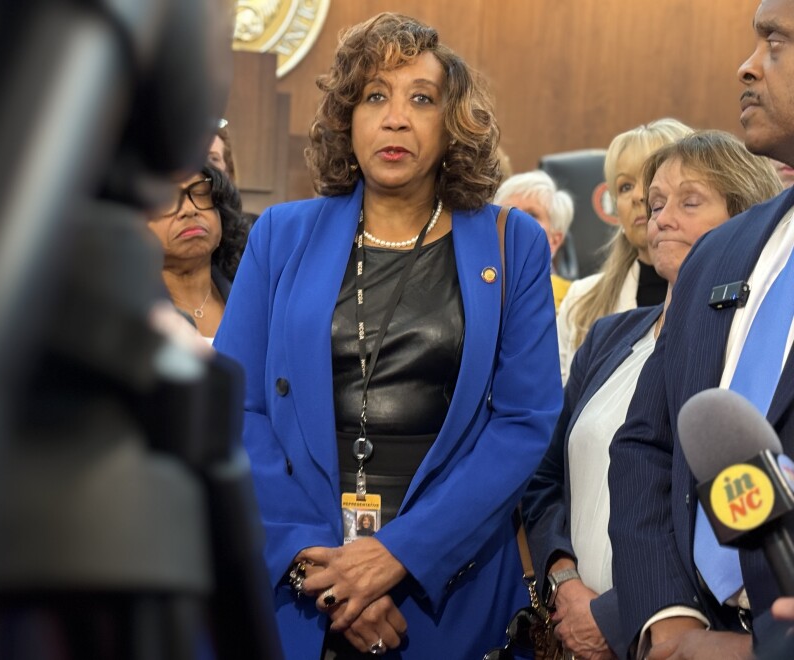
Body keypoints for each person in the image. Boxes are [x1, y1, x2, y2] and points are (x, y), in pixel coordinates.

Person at [213, 12, 561, 660]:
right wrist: (320, 569)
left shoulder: (514, 244)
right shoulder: (280, 236)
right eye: (375, 96)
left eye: (420, 99)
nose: (396, 118)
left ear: (451, 121)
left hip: (448, 592)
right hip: (302, 586)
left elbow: (523, 421)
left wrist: (399, 555)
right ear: (347, 117)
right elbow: (238, 409)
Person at [521, 130, 781, 660]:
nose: (659, 217)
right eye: (655, 202)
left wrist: (617, 617)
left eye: (689, 201)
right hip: (565, 623)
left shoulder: (750, 354)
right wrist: (564, 580)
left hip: (677, 638)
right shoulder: (610, 335)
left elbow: (716, 515)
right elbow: (545, 479)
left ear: (745, 220)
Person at [608, 2, 794, 657]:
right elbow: (645, 447)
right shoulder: (721, 253)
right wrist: (668, 619)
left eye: (774, 43)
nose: (747, 67)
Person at [556, 119, 693, 383]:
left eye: (652, 180)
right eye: (625, 186)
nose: (639, 196)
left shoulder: (723, 295)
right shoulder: (580, 302)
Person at [146, 164, 246, 342]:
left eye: (201, 193)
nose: (189, 210)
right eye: (167, 198)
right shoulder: (127, 309)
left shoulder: (250, 293)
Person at [494, 170, 575, 311]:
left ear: (554, 241)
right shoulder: (471, 291)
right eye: (508, 212)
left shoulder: (574, 301)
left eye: (532, 214)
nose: (516, 221)